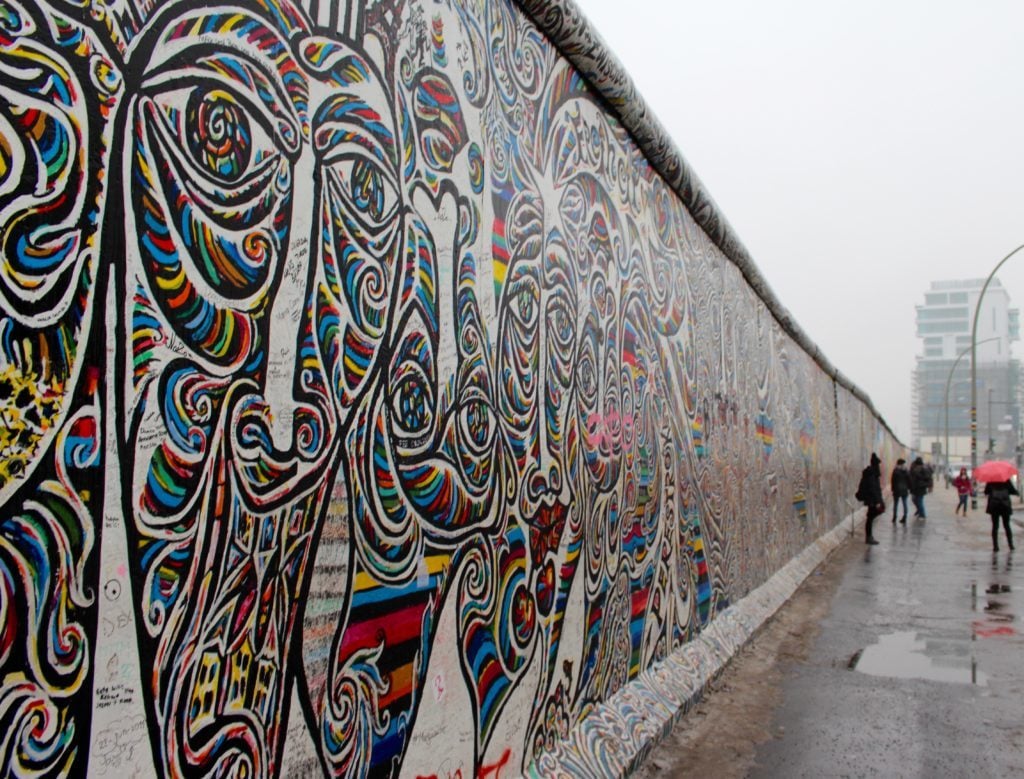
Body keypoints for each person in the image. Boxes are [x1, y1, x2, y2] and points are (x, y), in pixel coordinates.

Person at [984, 479, 1018, 551]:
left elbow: (986, 492)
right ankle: (1010, 545)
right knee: (1007, 525)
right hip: (1005, 505)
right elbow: (1013, 491)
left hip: (994, 506)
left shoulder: (990, 481)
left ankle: (995, 546)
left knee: (995, 526)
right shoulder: (1006, 480)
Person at [858, 453, 885, 544]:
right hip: (872, 500)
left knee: (870, 517)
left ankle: (869, 537)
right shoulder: (872, 475)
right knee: (870, 518)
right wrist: (877, 501)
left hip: (872, 500)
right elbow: (873, 488)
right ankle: (869, 537)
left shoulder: (871, 473)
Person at [890, 458, 910, 523]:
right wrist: (909, 488)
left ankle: (894, 517)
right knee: (905, 504)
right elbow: (909, 480)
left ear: (897, 464)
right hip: (904, 490)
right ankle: (905, 517)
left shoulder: (895, 471)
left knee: (895, 504)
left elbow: (892, 481)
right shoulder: (906, 471)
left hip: (896, 490)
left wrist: (892, 489)